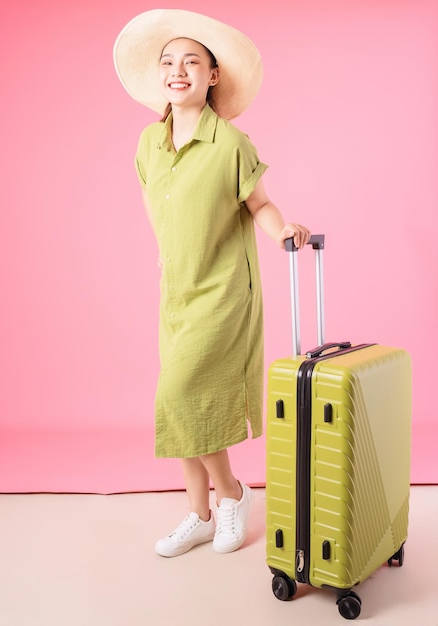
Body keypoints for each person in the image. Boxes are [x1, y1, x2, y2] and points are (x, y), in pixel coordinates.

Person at [113, 9, 311, 558]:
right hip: (176, 293)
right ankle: (198, 514)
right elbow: (168, 213)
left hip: (224, 292)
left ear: (213, 76)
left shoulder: (233, 144)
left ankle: (231, 493)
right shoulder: (147, 146)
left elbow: (261, 205)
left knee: (178, 394)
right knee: (186, 404)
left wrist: (282, 233)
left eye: (191, 62)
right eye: (168, 62)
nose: (178, 71)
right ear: (160, 75)